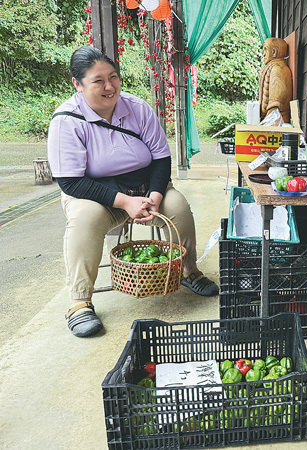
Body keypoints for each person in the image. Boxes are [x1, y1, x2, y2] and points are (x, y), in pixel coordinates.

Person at [47, 46, 218, 338]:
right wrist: (125, 203)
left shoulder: (137, 109)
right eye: (98, 80)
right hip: (96, 194)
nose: (109, 86)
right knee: (85, 218)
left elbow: (161, 158)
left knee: (177, 206)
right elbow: (70, 182)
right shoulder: (66, 121)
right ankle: (79, 301)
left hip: (144, 187)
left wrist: (155, 196)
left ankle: (188, 269)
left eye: (113, 77)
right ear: (77, 84)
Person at [258, 37, 293, 123]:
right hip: (269, 118)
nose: (264, 54)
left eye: (266, 50)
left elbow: (277, 105)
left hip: (277, 120)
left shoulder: (279, 69)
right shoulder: (272, 68)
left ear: (274, 52)